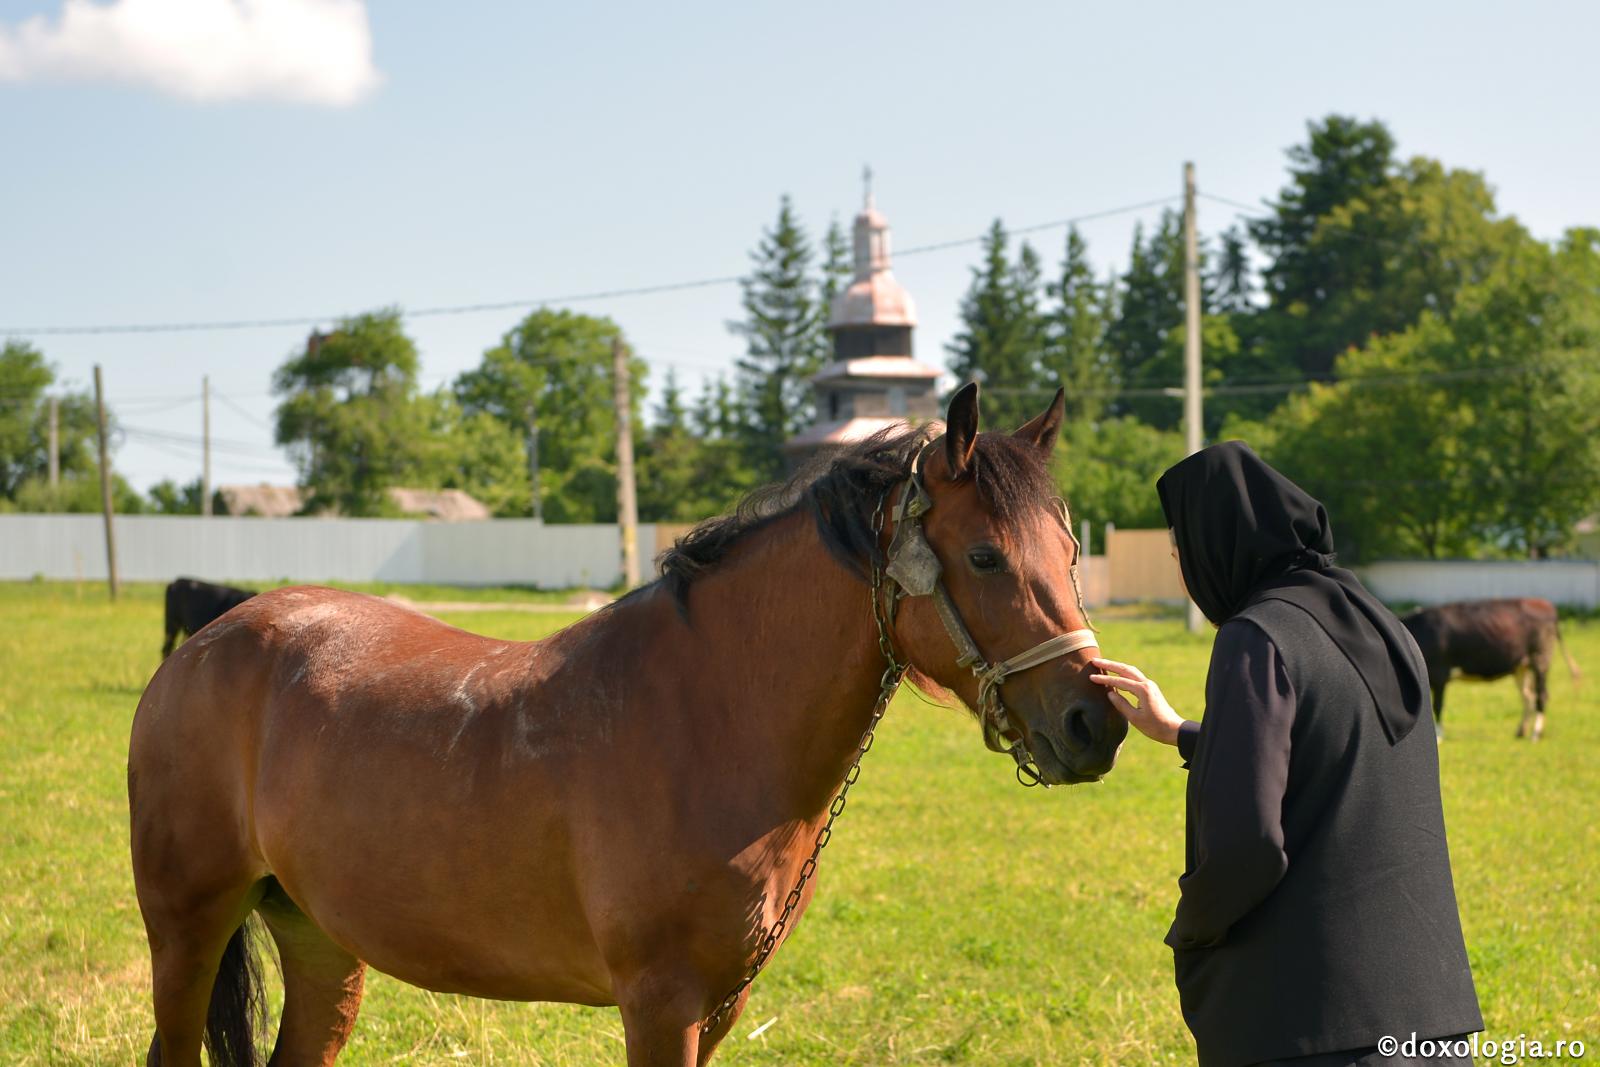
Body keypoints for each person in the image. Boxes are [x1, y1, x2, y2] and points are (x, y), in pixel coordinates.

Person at [1089, 442, 1482, 1067]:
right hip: (1429, 1018)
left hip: (1311, 1023)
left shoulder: (1257, 636)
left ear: (1216, 546)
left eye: (1179, 554)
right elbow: (1330, 751)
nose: (1183, 575)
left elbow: (1247, 845)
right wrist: (1182, 732)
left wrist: (1192, 929)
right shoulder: (1382, 627)